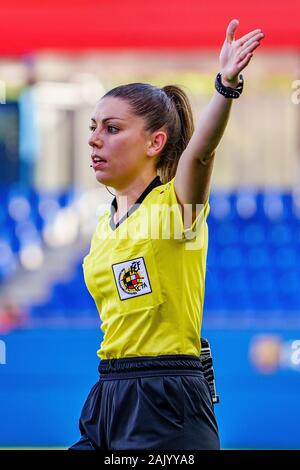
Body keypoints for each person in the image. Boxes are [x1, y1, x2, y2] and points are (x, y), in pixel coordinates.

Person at [70, 19, 264, 450]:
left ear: (155, 142)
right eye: (93, 127)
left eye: (112, 129)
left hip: (166, 397)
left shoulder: (177, 211)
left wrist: (226, 86)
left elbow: (201, 153)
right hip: (108, 393)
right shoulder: (104, 224)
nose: (95, 140)